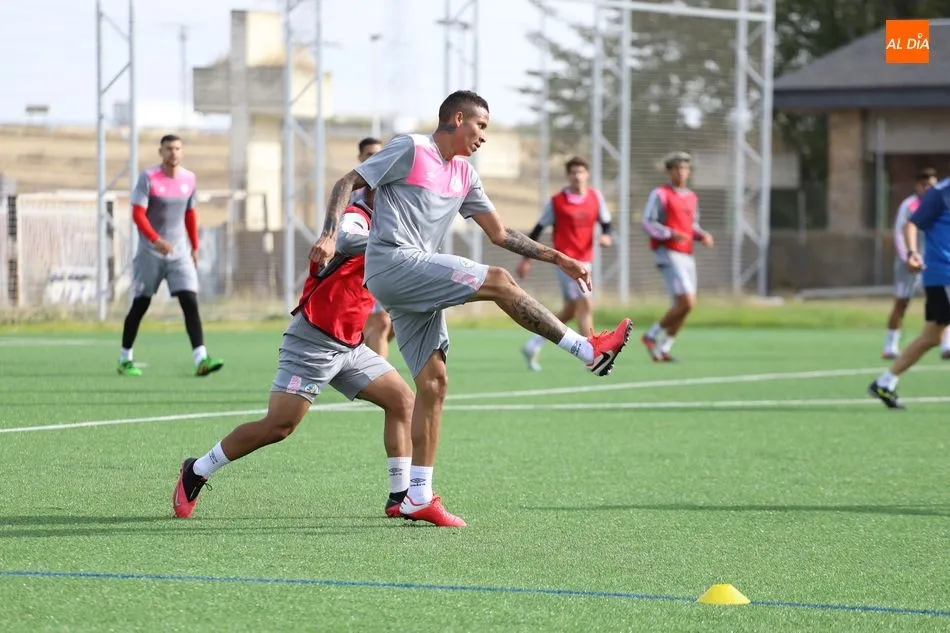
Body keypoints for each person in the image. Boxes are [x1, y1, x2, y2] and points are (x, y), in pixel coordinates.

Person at [309, 90, 633, 528]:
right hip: (391, 263)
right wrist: (330, 234)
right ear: (458, 119)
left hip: (414, 278)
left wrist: (559, 258)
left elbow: (501, 234)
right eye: (481, 126)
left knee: (434, 383)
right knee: (498, 280)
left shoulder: (464, 174)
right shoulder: (411, 148)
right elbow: (346, 182)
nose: (484, 136)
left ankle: (417, 496)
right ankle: (587, 350)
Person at [172, 189, 415, 519]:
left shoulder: (390, 226)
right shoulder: (355, 218)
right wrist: (395, 245)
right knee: (278, 426)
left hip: (351, 347)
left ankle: (400, 496)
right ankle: (197, 470)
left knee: (402, 401)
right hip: (312, 343)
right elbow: (346, 239)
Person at [118, 134, 224, 377]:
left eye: (177, 148)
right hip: (150, 252)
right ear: (161, 152)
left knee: (190, 301)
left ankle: (201, 358)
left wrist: (194, 245)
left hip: (179, 254)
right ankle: (125, 358)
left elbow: (190, 214)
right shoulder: (148, 178)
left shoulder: (189, 179)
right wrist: (155, 240)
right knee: (141, 304)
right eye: (168, 148)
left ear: (182, 152)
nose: (173, 152)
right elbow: (138, 214)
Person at [517, 156, 613, 371]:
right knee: (585, 304)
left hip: (587, 261)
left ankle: (533, 344)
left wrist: (607, 236)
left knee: (570, 310)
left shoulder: (595, 197)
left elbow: (607, 223)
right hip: (566, 262)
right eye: (573, 172)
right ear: (568, 176)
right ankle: (593, 355)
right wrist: (525, 259)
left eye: (581, 172)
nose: (577, 176)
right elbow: (538, 230)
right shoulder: (557, 202)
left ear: (587, 174)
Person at [869, 175, 950, 409]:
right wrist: (912, 253)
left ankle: (885, 382)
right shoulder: (940, 193)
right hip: (944, 274)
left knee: (931, 337)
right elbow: (912, 224)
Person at [639, 151, 713, 362]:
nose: (681, 172)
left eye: (685, 168)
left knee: (683, 306)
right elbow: (647, 222)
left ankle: (664, 348)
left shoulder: (691, 197)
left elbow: (692, 226)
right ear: (669, 171)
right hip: (668, 252)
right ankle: (651, 335)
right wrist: (669, 233)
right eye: (677, 168)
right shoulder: (660, 194)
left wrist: (702, 235)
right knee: (687, 302)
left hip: (686, 254)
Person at [882, 168, 950, 358]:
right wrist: (907, 257)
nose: (928, 188)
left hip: (933, 263)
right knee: (902, 302)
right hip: (909, 263)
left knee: (944, 304)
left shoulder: (942, 200)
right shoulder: (909, 205)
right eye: (924, 184)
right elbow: (900, 231)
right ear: (917, 186)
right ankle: (890, 345)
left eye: (931, 184)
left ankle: (946, 344)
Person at [355, 137, 396, 359]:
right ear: (360, 158)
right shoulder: (350, 193)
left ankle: (361, 360)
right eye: (369, 155)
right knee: (381, 322)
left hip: (392, 264)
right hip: (362, 268)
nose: (375, 159)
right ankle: (377, 374)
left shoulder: (393, 189)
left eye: (378, 154)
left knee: (395, 323)